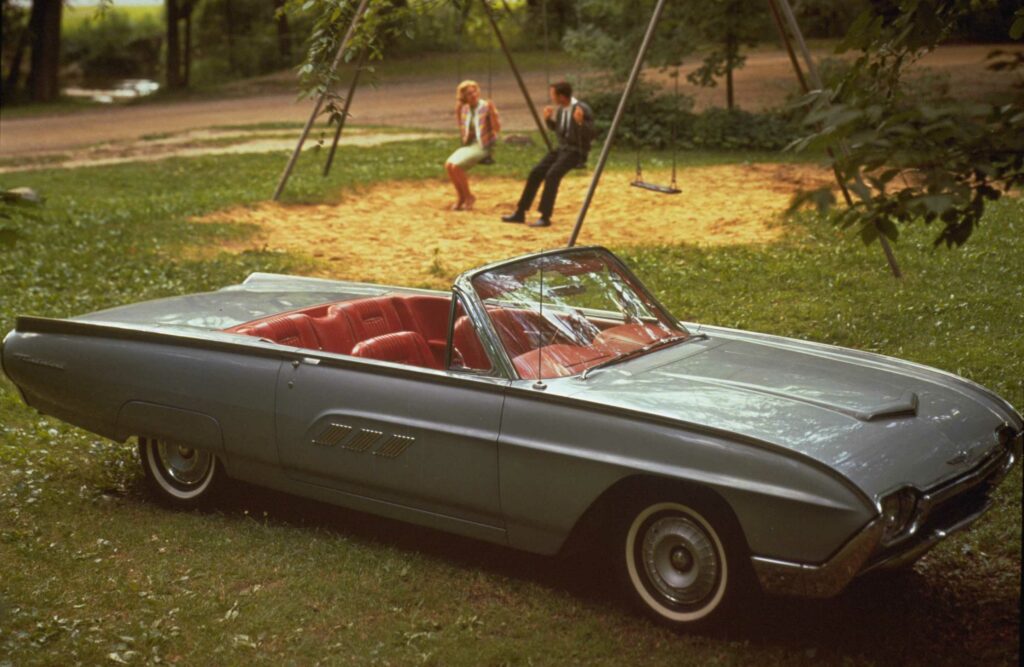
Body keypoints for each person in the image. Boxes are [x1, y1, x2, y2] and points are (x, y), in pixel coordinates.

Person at [502, 80, 595, 228]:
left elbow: (590, 133)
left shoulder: (581, 109)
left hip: (576, 152)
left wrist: (580, 123)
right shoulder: (562, 110)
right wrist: (548, 121)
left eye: (553, 94)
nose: (551, 97)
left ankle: (545, 217)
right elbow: (561, 130)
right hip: (562, 149)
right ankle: (520, 212)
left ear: (562, 96)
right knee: (535, 172)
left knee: (552, 175)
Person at [445, 80, 501, 211]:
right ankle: (461, 197)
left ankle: (469, 197)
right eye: (469, 94)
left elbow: (497, 129)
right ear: (464, 97)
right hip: (470, 145)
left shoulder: (486, 107)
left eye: (475, 91)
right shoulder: (464, 109)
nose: (473, 95)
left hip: (484, 145)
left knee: (456, 166)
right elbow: (463, 127)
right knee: (449, 165)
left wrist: (493, 114)